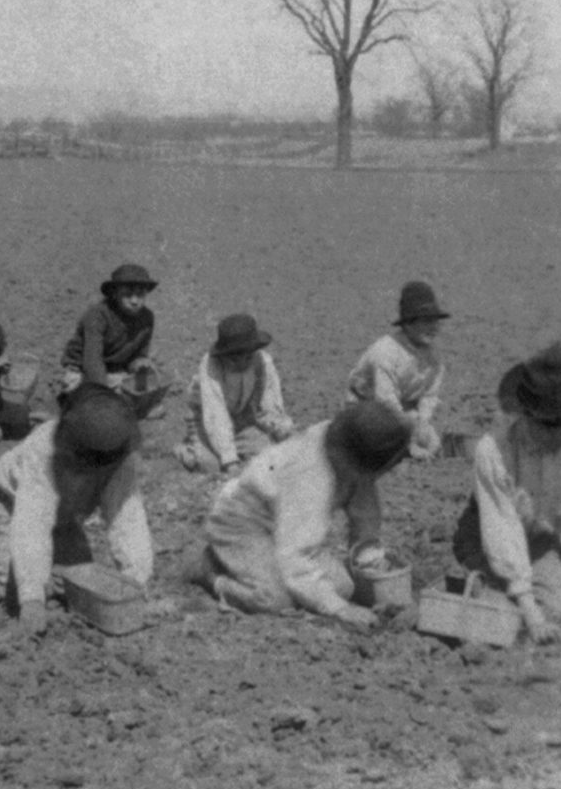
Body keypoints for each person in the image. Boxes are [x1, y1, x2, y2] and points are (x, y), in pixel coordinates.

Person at [196, 401, 413, 627]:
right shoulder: (310, 474)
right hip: (242, 522)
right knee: (274, 599)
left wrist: (372, 563)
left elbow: (365, 515)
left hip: (282, 526)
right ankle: (211, 572)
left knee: (342, 586)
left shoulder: (350, 449)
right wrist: (340, 609)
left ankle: (246, 567)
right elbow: (296, 558)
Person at [450, 344, 561, 644]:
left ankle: (498, 607)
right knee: (524, 620)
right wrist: (531, 615)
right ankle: (474, 595)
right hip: (486, 539)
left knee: (559, 613)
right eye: (548, 426)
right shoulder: (495, 450)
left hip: (538, 541)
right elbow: (502, 532)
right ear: (526, 414)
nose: (559, 434)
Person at [0, 388, 153, 632]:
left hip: (67, 518)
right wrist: (32, 599)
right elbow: (32, 523)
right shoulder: (44, 451)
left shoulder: (120, 458)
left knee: (79, 586)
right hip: (9, 505)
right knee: (10, 593)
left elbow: (128, 520)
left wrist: (136, 583)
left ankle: (50, 566)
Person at [175, 313, 296, 474]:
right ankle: (186, 450)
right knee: (211, 466)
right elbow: (215, 414)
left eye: (247, 357)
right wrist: (230, 461)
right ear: (224, 354)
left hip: (241, 419)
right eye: (234, 359)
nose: (242, 363)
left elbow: (269, 404)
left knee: (268, 457)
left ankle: (235, 449)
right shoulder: (211, 365)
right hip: (204, 421)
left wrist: (283, 432)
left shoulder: (262, 361)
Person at [348, 281, 451, 461]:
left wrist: (423, 424)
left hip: (403, 410)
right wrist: (408, 442)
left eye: (435, 321)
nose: (433, 327)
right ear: (408, 324)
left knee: (431, 441)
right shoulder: (385, 353)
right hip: (365, 411)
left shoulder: (435, 358)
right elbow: (386, 403)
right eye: (426, 321)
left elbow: (430, 395)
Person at [58, 263, 168, 417]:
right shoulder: (97, 316)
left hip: (117, 370)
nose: (135, 300)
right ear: (115, 294)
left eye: (140, 294)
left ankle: (123, 406)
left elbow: (139, 356)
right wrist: (103, 397)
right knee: (90, 403)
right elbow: (92, 362)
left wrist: (140, 365)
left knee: (149, 390)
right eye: (128, 294)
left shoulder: (147, 318)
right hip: (84, 369)